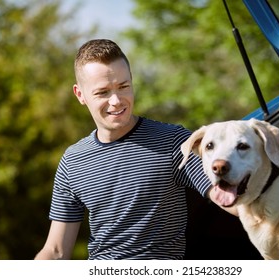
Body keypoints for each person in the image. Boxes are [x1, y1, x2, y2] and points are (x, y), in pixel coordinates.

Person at [35, 39, 224, 260]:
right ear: (80, 95)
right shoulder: (72, 161)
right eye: (103, 92)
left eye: (123, 86)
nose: (116, 100)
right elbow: (56, 250)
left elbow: (228, 197)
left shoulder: (175, 142)